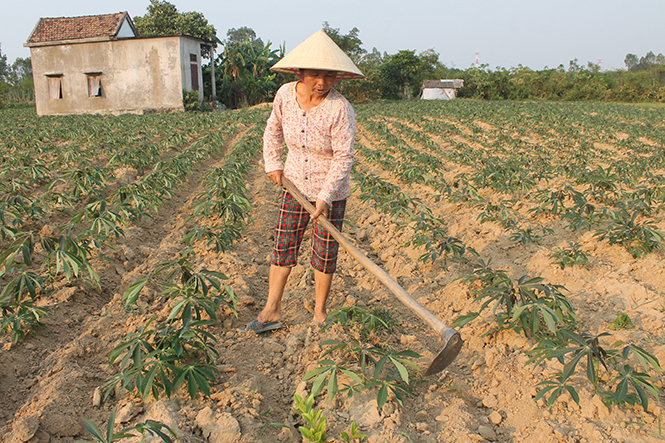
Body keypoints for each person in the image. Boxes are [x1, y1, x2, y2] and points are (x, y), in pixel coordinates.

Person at [240, 30, 364, 333]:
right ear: (301, 72)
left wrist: (324, 197)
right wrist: (273, 164)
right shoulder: (284, 95)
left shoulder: (340, 109)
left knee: (325, 253)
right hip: (294, 188)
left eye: (329, 76)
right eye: (315, 74)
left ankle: (320, 312)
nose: (322, 82)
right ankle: (272, 310)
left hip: (330, 192)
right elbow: (273, 130)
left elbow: (343, 158)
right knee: (283, 246)